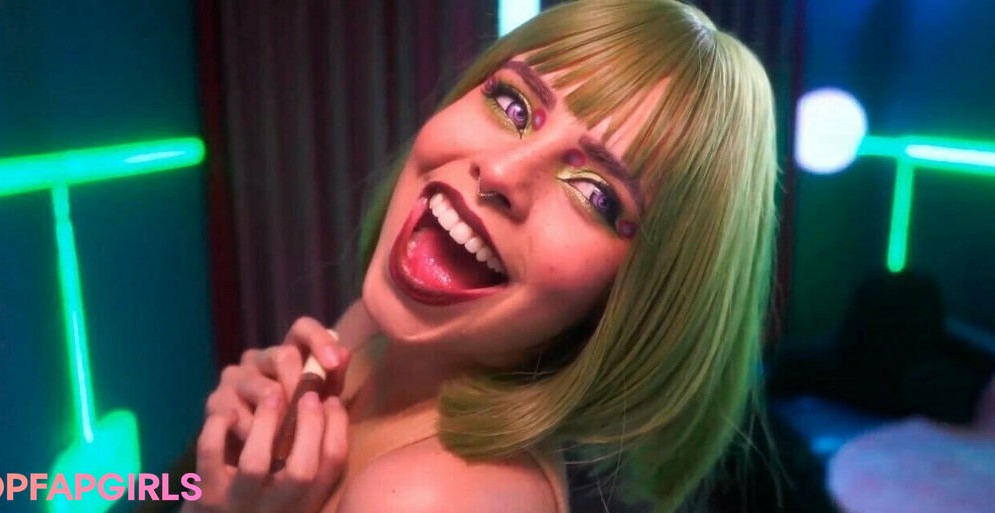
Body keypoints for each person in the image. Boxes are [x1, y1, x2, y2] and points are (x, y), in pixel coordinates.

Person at [185, 0, 777, 511]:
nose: (500, 172)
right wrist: (221, 469)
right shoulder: (379, 328)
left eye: (596, 193)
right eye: (513, 106)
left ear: (644, 296)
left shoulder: (433, 496)